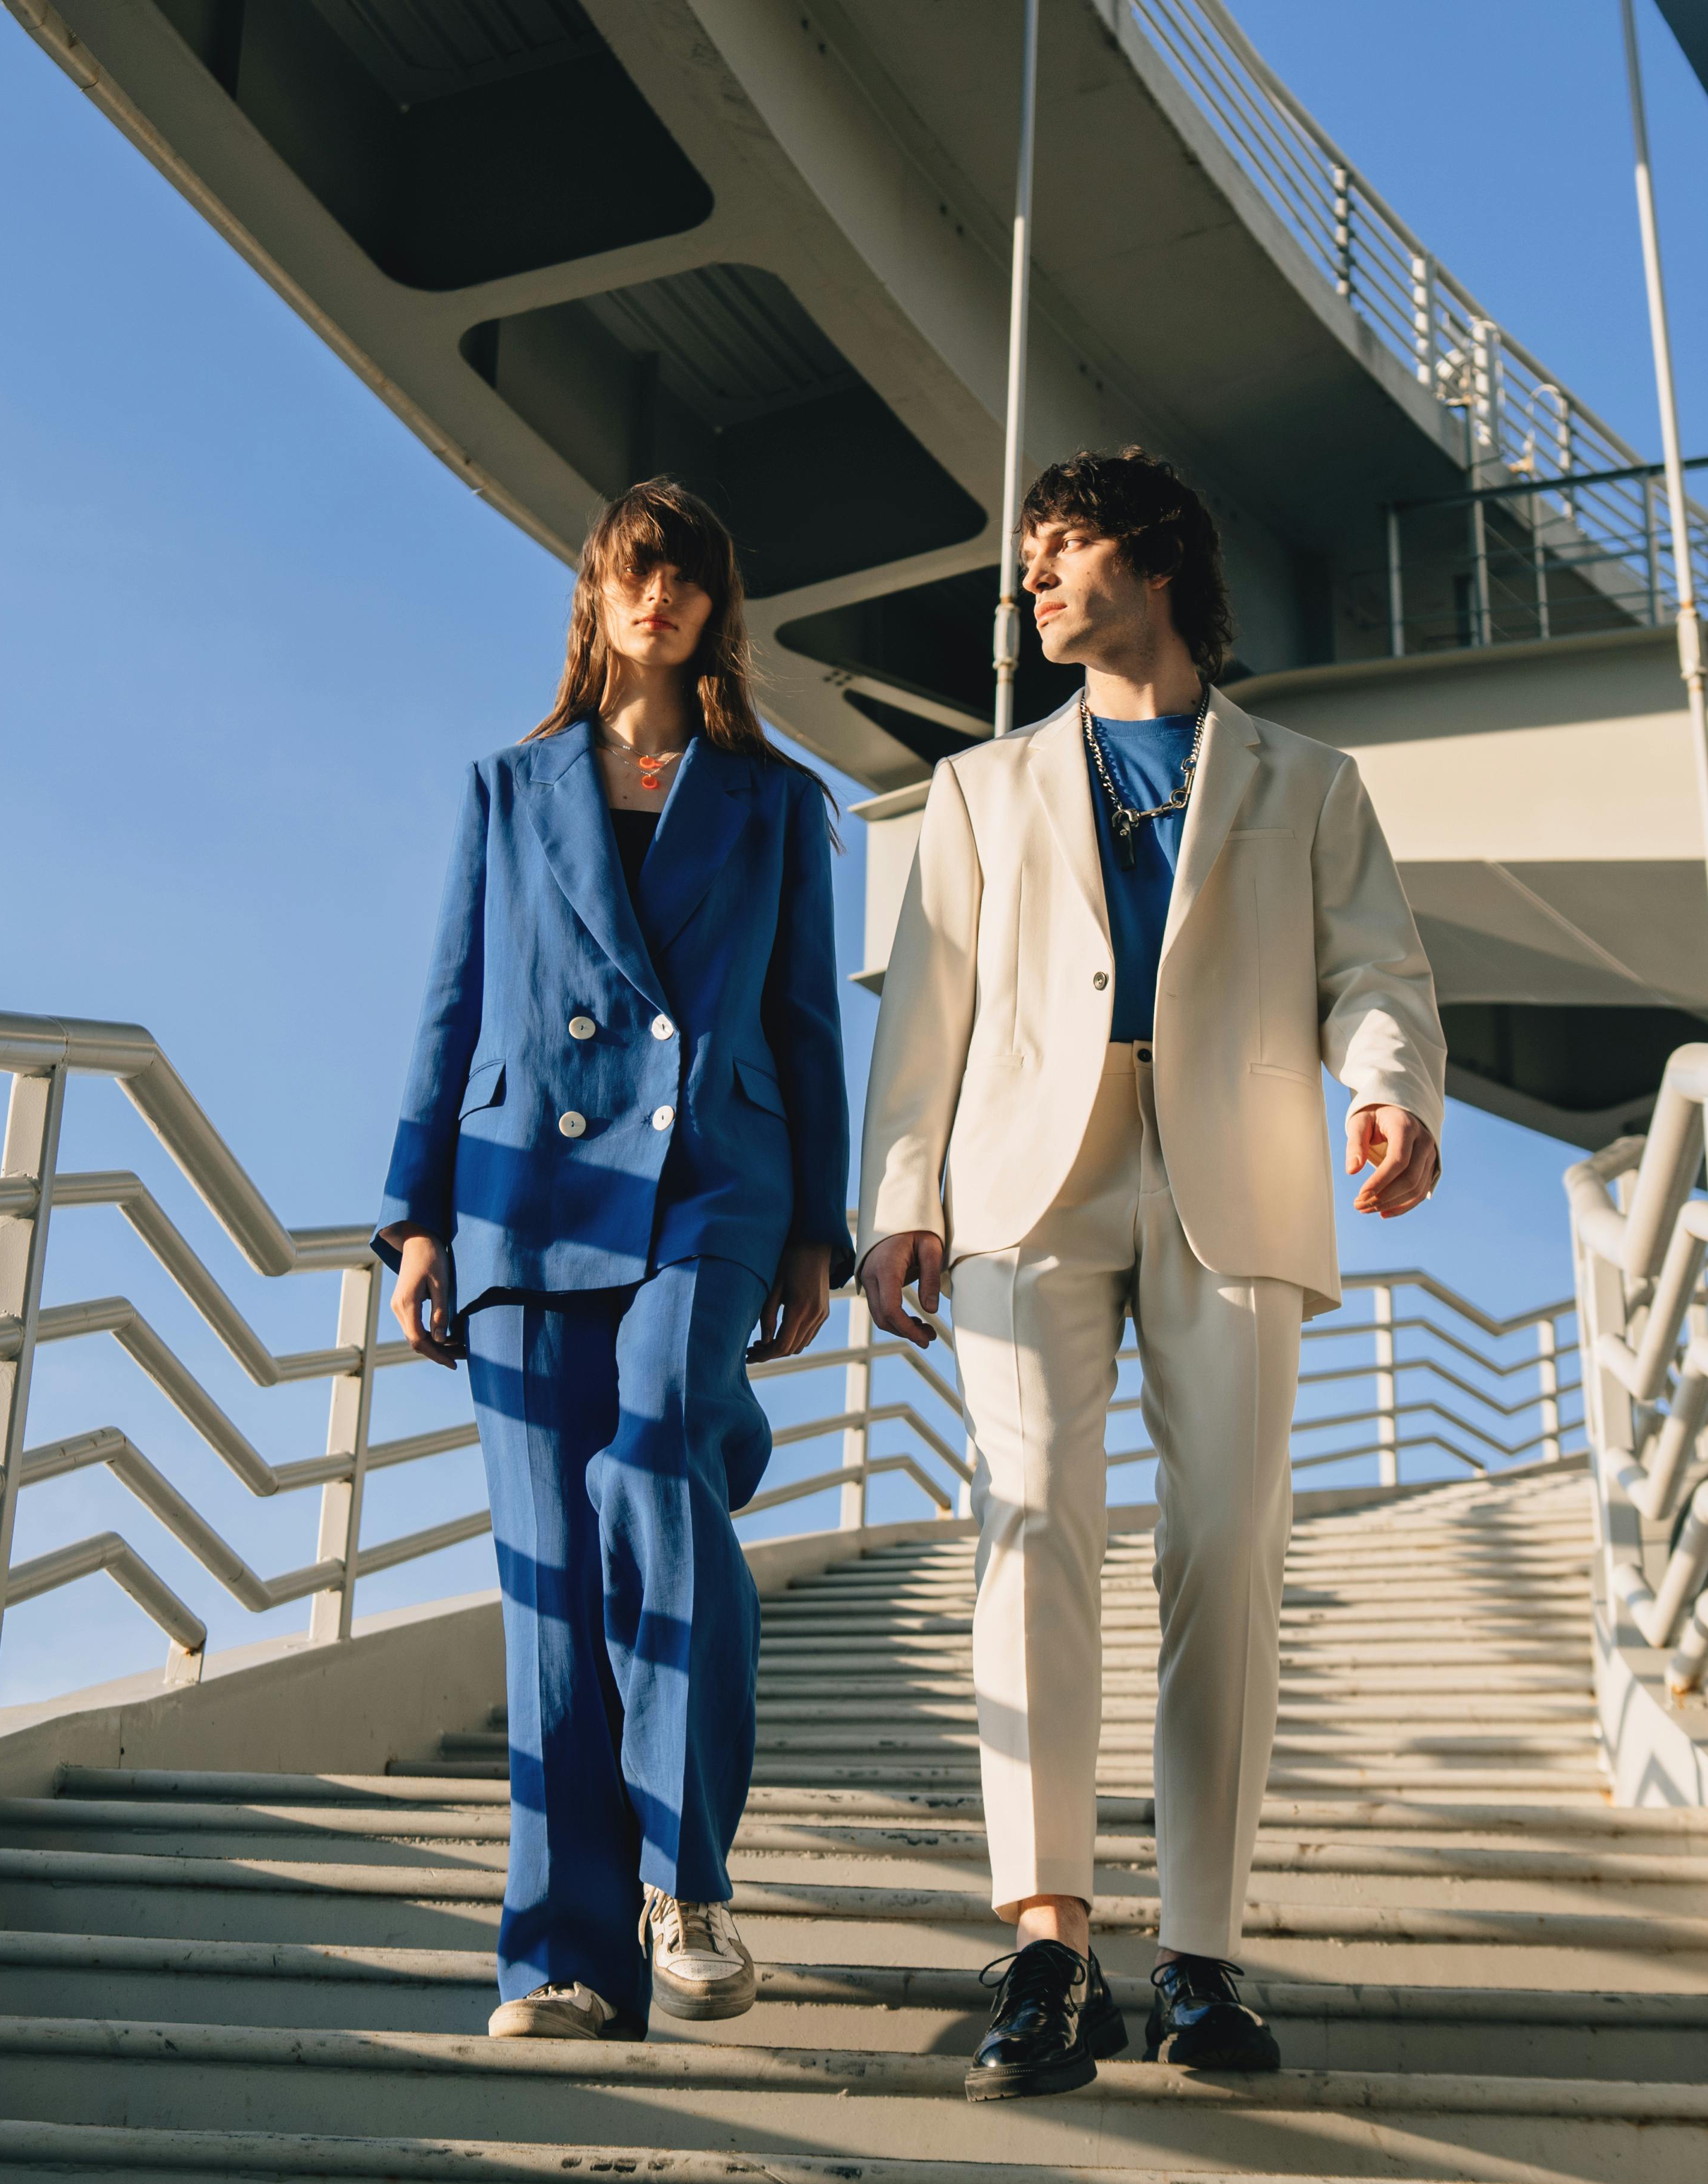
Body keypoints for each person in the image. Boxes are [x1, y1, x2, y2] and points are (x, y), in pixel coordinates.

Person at [855, 448, 1445, 2099]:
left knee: (1229, 1549)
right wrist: (899, 1194)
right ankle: (1049, 1948)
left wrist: (1388, 1087)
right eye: (1028, 558)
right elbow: (926, 1011)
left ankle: (1202, 1954)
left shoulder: (1308, 782)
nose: (1032, 580)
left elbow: (1375, 963)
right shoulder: (980, 790)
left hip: (1238, 1175)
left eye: (1062, 548)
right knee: (1034, 1515)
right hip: (1027, 1180)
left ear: (1158, 562)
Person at [377, 480, 853, 2045]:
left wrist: (817, 1224)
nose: (654, 597)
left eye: (683, 576)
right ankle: (568, 1960)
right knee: (553, 1589)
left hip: (715, 1183)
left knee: (659, 1458)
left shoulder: (774, 801)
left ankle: (685, 1875)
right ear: (594, 595)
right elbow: (451, 1009)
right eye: (628, 572)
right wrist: (418, 1213)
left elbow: (806, 1020)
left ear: (716, 606)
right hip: (527, 1201)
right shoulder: (508, 791)